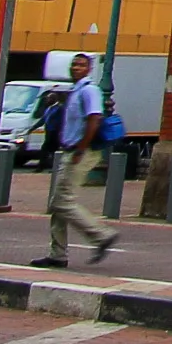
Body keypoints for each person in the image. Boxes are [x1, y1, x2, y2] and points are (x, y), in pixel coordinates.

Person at [30, 53, 118, 269]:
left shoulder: (89, 90)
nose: (76, 67)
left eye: (81, 65)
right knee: (58, 204)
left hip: (81, 152)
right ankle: (58, 254)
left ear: (88, 69)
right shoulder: (75, 90)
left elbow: (94, 119)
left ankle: (101, 235)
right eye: (74, 64)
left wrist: (81, 148)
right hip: (70, 150)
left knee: (62, 202)